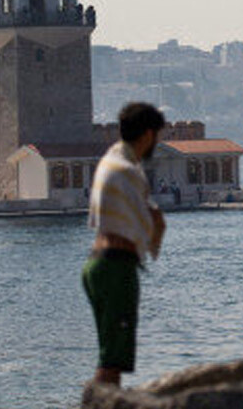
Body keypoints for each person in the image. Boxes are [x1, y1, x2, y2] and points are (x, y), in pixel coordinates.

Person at [83, 102, 168, 386]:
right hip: (116, 267)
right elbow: (147, 222)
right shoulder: (128, 170)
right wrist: (156, 225)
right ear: (147, 135)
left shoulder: (112, 159)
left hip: (96, 265)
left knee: (109, 356)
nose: (157, 142)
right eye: (156, 135)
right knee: (111, 363)